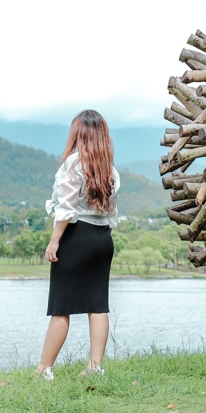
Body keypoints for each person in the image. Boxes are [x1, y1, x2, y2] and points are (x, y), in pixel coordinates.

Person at [36, 109, 120, 381]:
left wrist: (54, 241)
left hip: (75, 237)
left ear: (77, 134)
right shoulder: (110, 170)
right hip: (102, 239)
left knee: (61, 306)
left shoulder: (73, 165)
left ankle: (44, 369)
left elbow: (66, 209)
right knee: (98, 305)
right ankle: (95, 367)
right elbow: (111, 212)